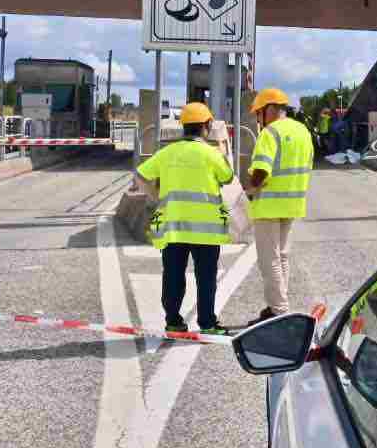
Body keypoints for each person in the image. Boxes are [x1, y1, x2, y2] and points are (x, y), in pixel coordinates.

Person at [134, 102, 233, 335]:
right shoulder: (212, 154)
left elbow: (140, 176)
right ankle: (207, 324)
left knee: (173, 275)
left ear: (184, 126)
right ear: (207, 125)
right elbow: (228, 177)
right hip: (206, 230)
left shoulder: (167, 153)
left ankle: (173, 321)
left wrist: (156, 196)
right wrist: (221, 150)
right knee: (206, 277)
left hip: (173, 227)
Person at [246, 88, 315, 323]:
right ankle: (277, 305)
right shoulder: (302, 131)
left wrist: (251, 189)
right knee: (283, 256)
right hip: (293, 203)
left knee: (270, 260)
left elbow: (262, 170)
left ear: (269, 110)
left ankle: (279, 311)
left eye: (259, 114)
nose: (258, 119)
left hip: (268, 205)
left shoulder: (270, 132)